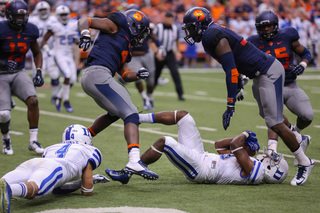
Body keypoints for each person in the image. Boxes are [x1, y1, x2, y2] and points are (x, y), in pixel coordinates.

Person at [180, 7, 314, 186]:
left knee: (274, 122)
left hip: (268, 71)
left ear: (200, 25)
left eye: (190, 27)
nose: (188, 32)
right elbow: (233, 65)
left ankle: (304, 162)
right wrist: (237, 87)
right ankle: (298, 138)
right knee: (268, 117)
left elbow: (231, 70)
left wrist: (230, 104)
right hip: (259, 74)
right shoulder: (211, 34)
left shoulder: (211, 35)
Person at [77, 9, 158, 180]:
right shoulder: (116, 25)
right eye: (142, 30)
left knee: (116, 113)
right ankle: (134, 160)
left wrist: (137, 75)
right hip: (98, 74)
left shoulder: (126, 45)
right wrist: (85, 34)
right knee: (131, 113)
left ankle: (83, 138)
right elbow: (85, 20)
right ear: (134, 26)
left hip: (95, 76)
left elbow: (125, 74)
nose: (142, 36)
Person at [106, 110, 289, 185]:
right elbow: (219, 146)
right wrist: (244, 145)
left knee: (165, 142)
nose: (270, 157)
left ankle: (128, 172)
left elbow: (234, 145)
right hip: (202, 156)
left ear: (272, 170)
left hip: (200, 169)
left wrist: (245, 136)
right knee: (185, 116)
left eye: (273, 161)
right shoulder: (251, 164)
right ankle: (137, 118)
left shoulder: (257, 173)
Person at [247, 10, 313, 166]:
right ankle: (272, 150)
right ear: (258, 28)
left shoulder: (288, 35)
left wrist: (302, 65)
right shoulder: (253, 42)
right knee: (273, 117)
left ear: (275, 25)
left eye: (269, 26)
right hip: (268, 84)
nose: (267, 30)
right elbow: (246, 63)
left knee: (307, 116)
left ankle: (296, 133)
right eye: (263, 27)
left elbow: (305, 53)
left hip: (290, 84)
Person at [0, 124, 110, 213]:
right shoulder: (90, 150)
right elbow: (87, 191)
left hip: (33, 162)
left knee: (4, 181)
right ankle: (10, 190)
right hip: (56, 167)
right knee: (36, 189)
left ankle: (6, 186)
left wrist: (77, 183)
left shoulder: (51, 148)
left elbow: (57, 188)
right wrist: (92, 181)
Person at [0, 0, 45, 155]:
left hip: (19, 71)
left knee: (33, 100)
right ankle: (5, 138)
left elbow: (37, 52)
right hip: (1, 74)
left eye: (23, 16)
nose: (21, 20)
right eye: (17, 17)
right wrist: (3, 62)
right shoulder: (1, 29)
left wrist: (38, 70)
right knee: (4, 114)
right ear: (8, 16)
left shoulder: (31, 30)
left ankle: (33, 140)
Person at [41, 5, 79, 113]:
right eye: (61, 15)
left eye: (65, 14)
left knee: (72, 79)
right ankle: (66, 100)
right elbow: (44, 40)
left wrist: (78, 40)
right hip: (59, 54)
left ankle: (58, 97)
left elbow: (76, 42)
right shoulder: (54, 25)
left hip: (69, 54)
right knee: (67, 75)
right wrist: (47, 49)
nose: (64, 16)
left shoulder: (72, 24)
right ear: (57, 15)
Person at [29, 1, 60, 104]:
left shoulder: (54, 19)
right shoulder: (32, 20)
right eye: (41, 10)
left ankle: (54, 96)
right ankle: (32, 95)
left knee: (54, 74)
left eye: (44, 10)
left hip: (50, 50)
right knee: (37, 73)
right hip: (37, 50)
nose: (43, 12)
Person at [153, 11, 185, 101]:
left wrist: (178, 52)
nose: (170, 21)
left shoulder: (175, 28)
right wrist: (156, 52)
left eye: (172, 19)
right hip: (159, 53)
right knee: (156, 74)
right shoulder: (158, 27)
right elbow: (152, 40)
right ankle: (150, 93)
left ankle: (180, 94)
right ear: (165, 19)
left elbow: (177, 41)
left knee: (175, 73)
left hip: (170, 53)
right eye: (169, 19)